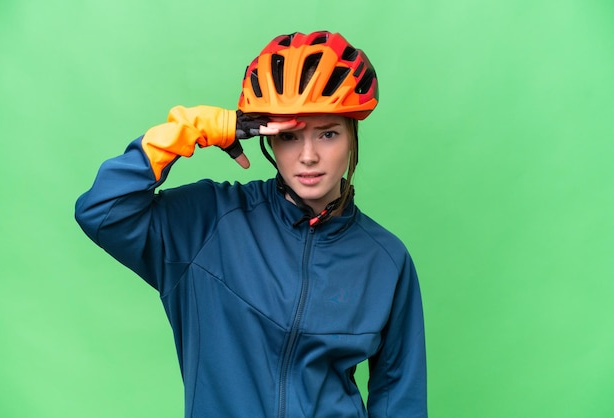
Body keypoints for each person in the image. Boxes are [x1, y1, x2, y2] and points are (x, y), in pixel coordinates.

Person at [75, 30, 427, 417]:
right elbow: (103, 210)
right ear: (269, 140)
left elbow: (399, 396)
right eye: (290, 136)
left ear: (352, 138)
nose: (308, 156)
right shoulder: (209, 221)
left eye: (328, 133)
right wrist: (187, 130)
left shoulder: (387, 259)